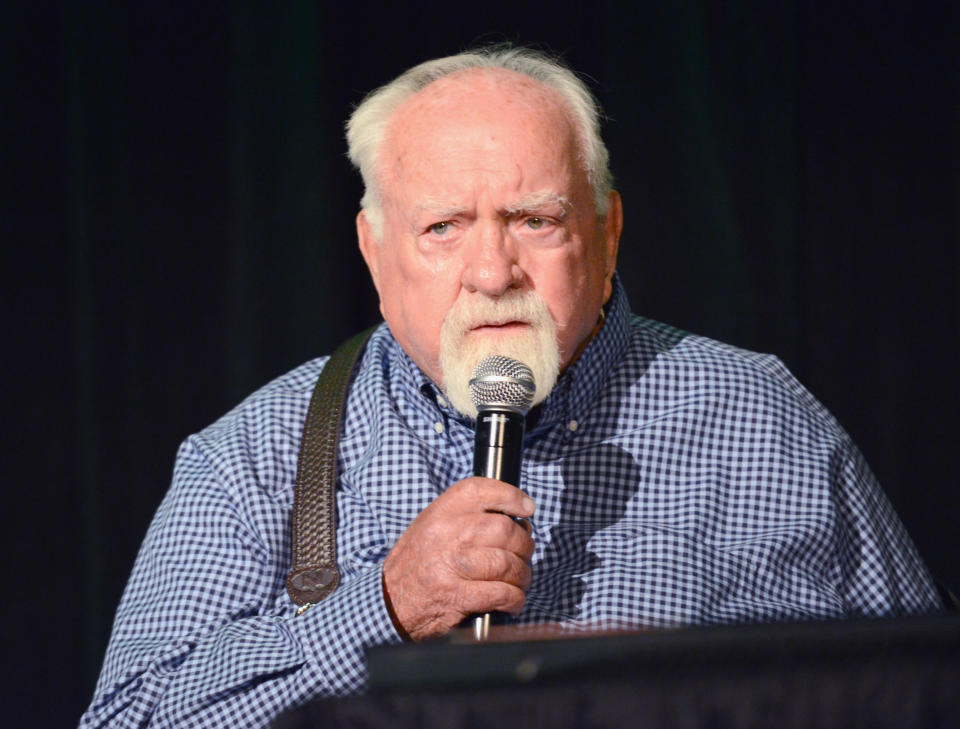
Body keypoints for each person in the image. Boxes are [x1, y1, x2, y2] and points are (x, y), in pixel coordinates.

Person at [79, 46, 941, 728]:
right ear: (375, 254)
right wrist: (383, 607)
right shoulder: (253, 458)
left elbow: (926, 696)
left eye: (535, 219)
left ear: (606, 234)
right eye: (443, 228)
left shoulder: (762, 421)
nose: (493, 271)